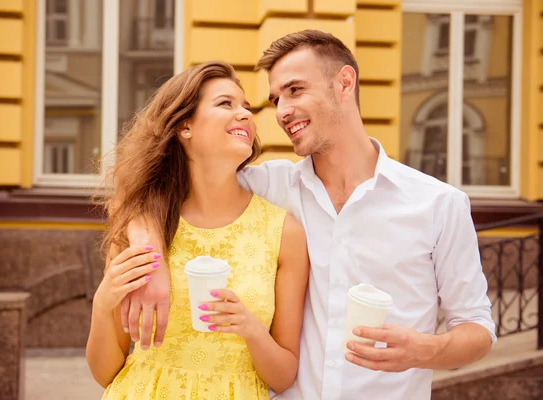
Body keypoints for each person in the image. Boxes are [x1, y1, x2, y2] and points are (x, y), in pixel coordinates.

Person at [125, 30, 496, 399]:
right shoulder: (268, 187)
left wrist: (424, 350)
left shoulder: (438, 204)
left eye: (295, 90)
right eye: (275, 99)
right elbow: (155, 189)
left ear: (344, 83)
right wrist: (152, 260)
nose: (282, 111)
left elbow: (477, 328)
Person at [86, 61, 309, 399]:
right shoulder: (144, 227)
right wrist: (102, 304)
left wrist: (250, 330)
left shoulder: (283, 233)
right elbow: (106, 374)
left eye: (247, 108)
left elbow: (284, 376)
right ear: (184, 126)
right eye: (226, 104)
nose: (246, 115)